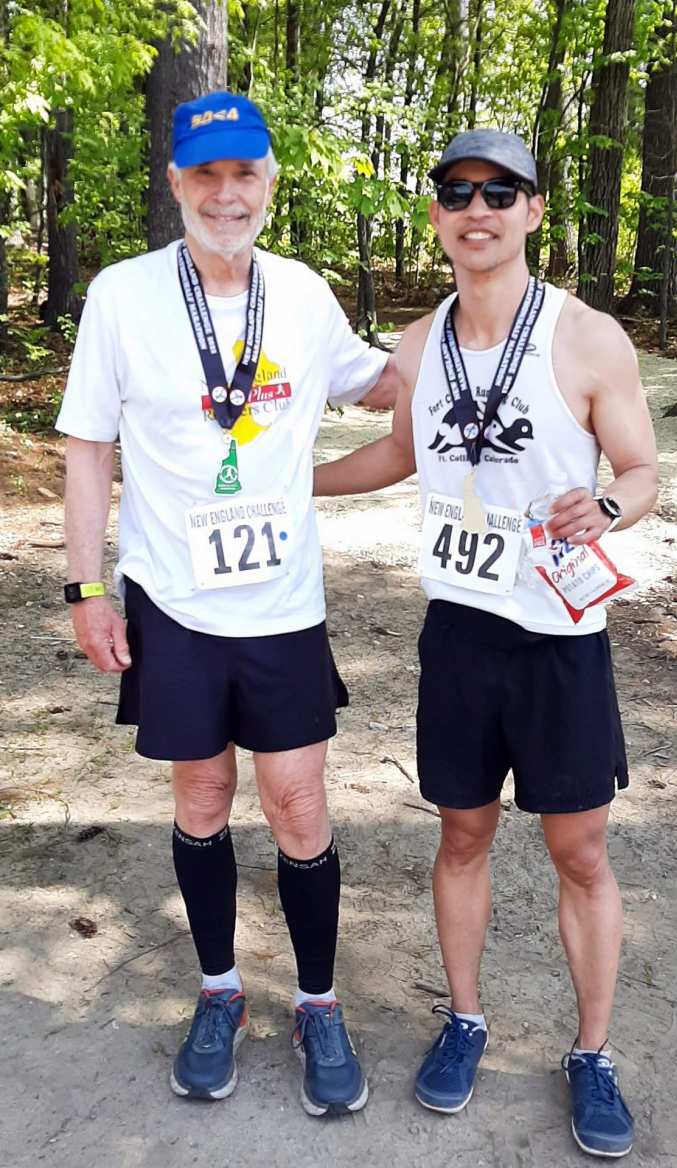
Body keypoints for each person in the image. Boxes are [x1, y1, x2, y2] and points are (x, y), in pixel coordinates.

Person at [314, 129, 658, 1158]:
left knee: (580, 850)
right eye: (458, 192)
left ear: (533, 211)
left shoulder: (588, 337)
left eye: (499, 192)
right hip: (460, 632)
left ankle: (592, 1054)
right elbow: (395, 450)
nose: (478, 209)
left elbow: (641, 470)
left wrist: (605, 502)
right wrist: (297, 483)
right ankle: (464, 1020)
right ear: (437, 215)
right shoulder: (418, 345)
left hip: (560, 635)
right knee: (461, 835)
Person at [56, 91, 398, 1115]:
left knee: (298, 803)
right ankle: (218, 991)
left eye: (244, 172)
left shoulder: (300, 294)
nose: (225, 192)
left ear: (270, 184)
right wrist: (86, 586)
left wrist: (490, 321)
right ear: (176, 185)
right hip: (172, 603)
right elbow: (87, 448)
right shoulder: (121, 295)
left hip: (284, 608)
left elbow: (381, 384)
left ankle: (319, 1003)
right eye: (205, 174)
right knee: (201, 798)